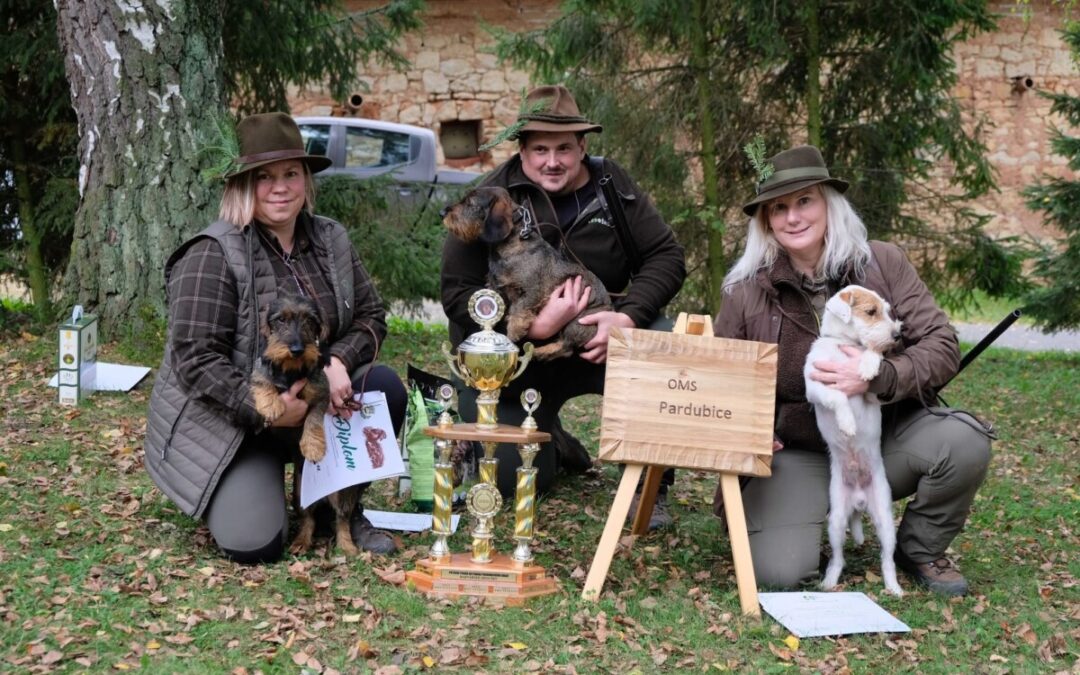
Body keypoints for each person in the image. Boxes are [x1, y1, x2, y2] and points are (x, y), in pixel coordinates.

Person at [713, 144, 993, 596]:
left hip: (882, 438)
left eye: (805, 200)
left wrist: (878, 377)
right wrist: (748, 431)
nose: (792, 217)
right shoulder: (746, 290)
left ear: (828, 203)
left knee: (963, 441)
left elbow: (942, 346)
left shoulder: (882, 261)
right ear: (765, 221)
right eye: (778, 208)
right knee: (780, 572)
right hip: (796, 450)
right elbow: (723, 378)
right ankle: (801, 520)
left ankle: (918, 546)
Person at [144, 113, 407, 564]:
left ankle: (339, 508)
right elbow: (195, 360)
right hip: (235, 423)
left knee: (382, 385)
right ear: (241, 185)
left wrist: (337, 359)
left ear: (305, 179)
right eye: (264, 177)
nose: (280, 187)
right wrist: (268, 411)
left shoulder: (331, 238)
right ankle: (247, 491)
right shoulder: (211, 253)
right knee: (255, 543)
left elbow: (370, 314)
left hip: (316, 409)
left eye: (290, 174)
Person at [441, 85, 686, 523]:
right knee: (509, 484)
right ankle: (552, 441)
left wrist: (628, 318)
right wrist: (529, 327)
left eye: (563, 149)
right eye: (539, 149)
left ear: (582, 147)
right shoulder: (490, 200)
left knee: (661, 343)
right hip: (516, 360)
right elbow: (457, 295)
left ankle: (651, 485)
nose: (551, 161)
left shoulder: (613, 186)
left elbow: (666, 257)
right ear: (521, 150)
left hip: (599, 339)